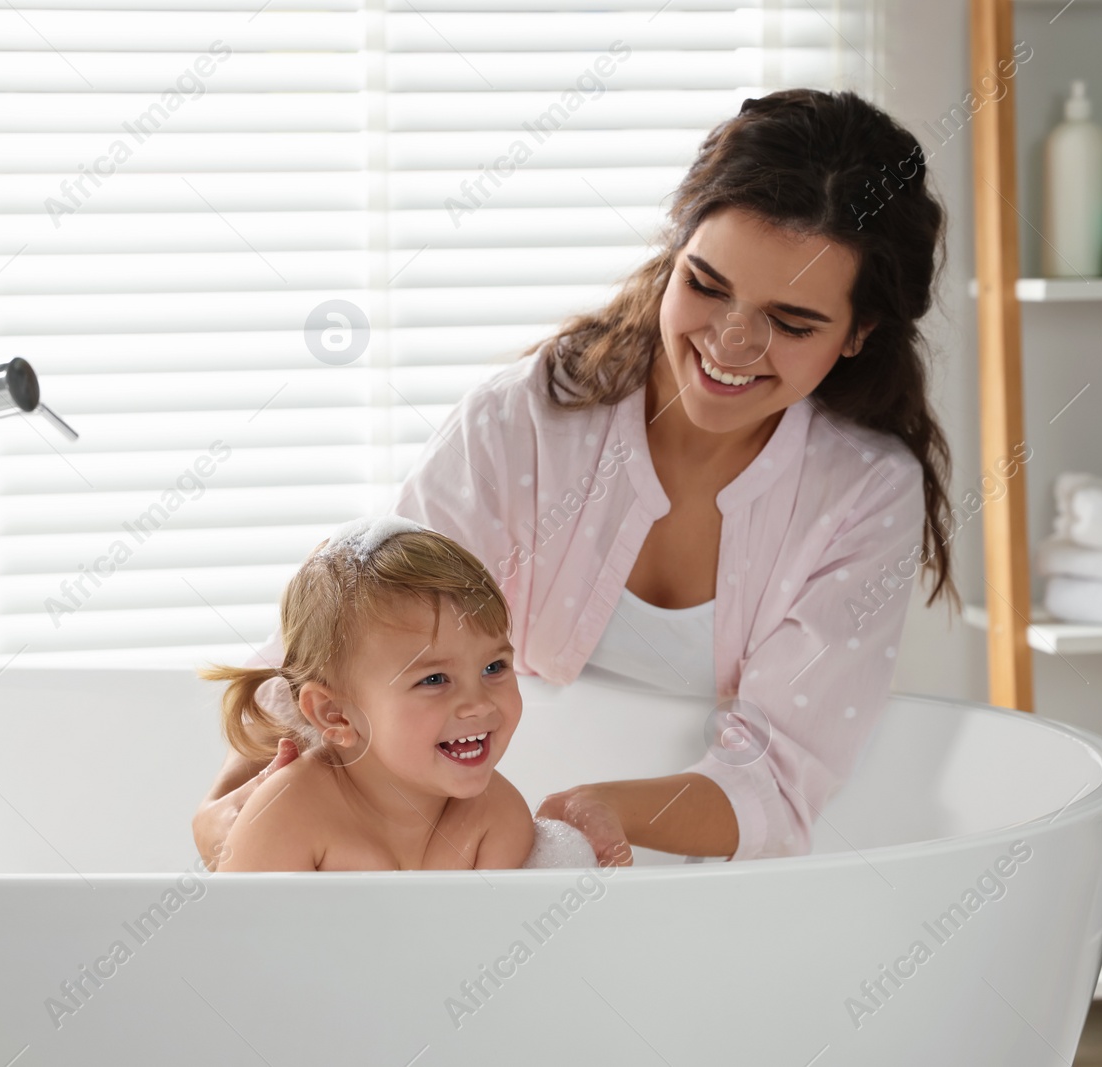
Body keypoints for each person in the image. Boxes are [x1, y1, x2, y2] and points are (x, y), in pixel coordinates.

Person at [195, 87, 957, 869]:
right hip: (485, 851)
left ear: (860, 332)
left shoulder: (862, 494)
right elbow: (358, 629)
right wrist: (231, 806)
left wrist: (596, 812)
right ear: (674, 253)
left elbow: (780, 775)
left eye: (791, 323)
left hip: (703, 876)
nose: (731, 341)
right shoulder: (527, 421)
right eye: (705, 284)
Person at [197, 516, 536, 870]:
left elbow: (493, 925)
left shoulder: (498, 817)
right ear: (336, 715)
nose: (478, 704)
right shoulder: (288, 818)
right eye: (434, 679)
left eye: (494, 668)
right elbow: (237, 925)